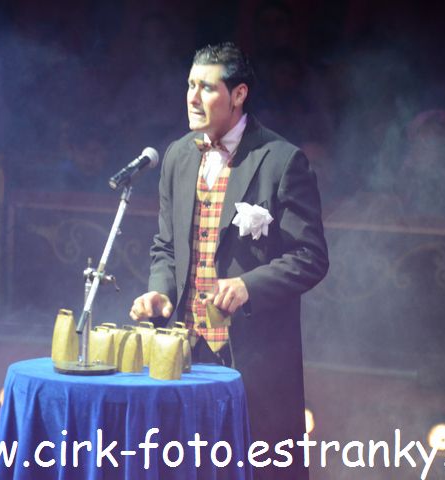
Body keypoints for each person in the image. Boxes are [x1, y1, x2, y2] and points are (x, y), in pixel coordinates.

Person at [129, 42, 328, 479]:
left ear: (238, 94)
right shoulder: (178, 156)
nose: (192, 97)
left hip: (252, 360)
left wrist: (248, 285)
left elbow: (311, 256)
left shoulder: (281, 160)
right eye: (190, 85)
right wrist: (161, 292)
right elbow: (166, 248)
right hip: (184, 355)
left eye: (206, 87)